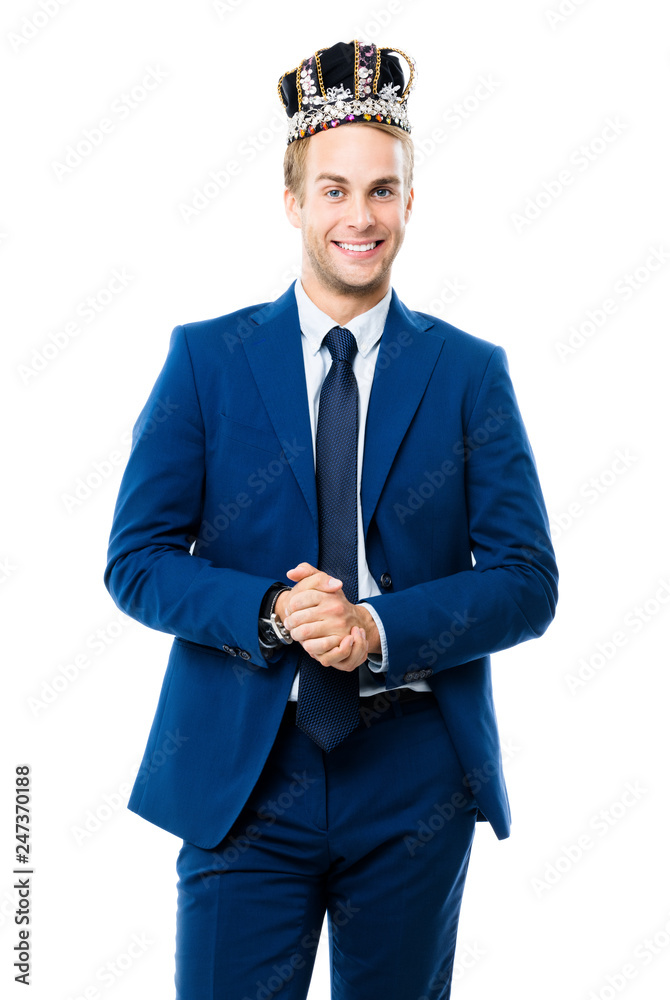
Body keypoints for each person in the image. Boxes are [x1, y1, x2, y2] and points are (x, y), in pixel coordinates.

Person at [104, 39, 558, 999]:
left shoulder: (470, 373)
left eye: (383, 191)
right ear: (293, 201)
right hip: (241, 776)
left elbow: (527, 580)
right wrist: (273, 611)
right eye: (336, 189)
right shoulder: (206, 360)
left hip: (413, 777)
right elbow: (136, 561)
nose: (361, 216)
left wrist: (376, 628)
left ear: (407, 202)